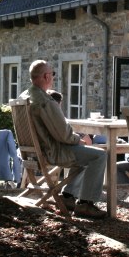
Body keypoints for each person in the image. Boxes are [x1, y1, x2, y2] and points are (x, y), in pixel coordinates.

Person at [20, 60, 107, 219]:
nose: (52, 78)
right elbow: (64, 135)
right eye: (52, 74)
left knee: (85, 154)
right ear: (46, 76)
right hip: (52, 152)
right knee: (99, 155)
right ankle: (85, 204)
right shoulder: (44, 101)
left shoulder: (25, 96)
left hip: (32, 152)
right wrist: (78, 140)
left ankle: (68, 197)